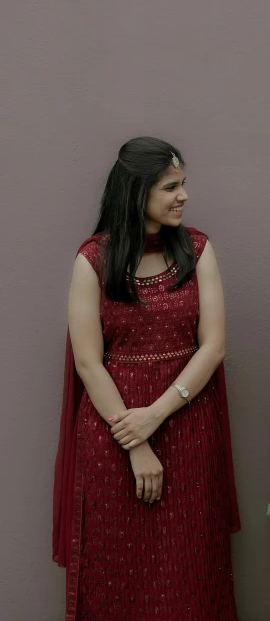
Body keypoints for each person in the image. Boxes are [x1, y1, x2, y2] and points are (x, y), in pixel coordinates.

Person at [53, 136, 240, 621]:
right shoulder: (93, 259)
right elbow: (89, 363)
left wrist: (154, 416)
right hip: (115, 431)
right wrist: (135, 441)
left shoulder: (198, 250)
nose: (183, 196)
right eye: (170, 187)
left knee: (191, 570)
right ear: (137, 192)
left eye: (183, 185)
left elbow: (213, 346)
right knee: (116, 570)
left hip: (187, 424)